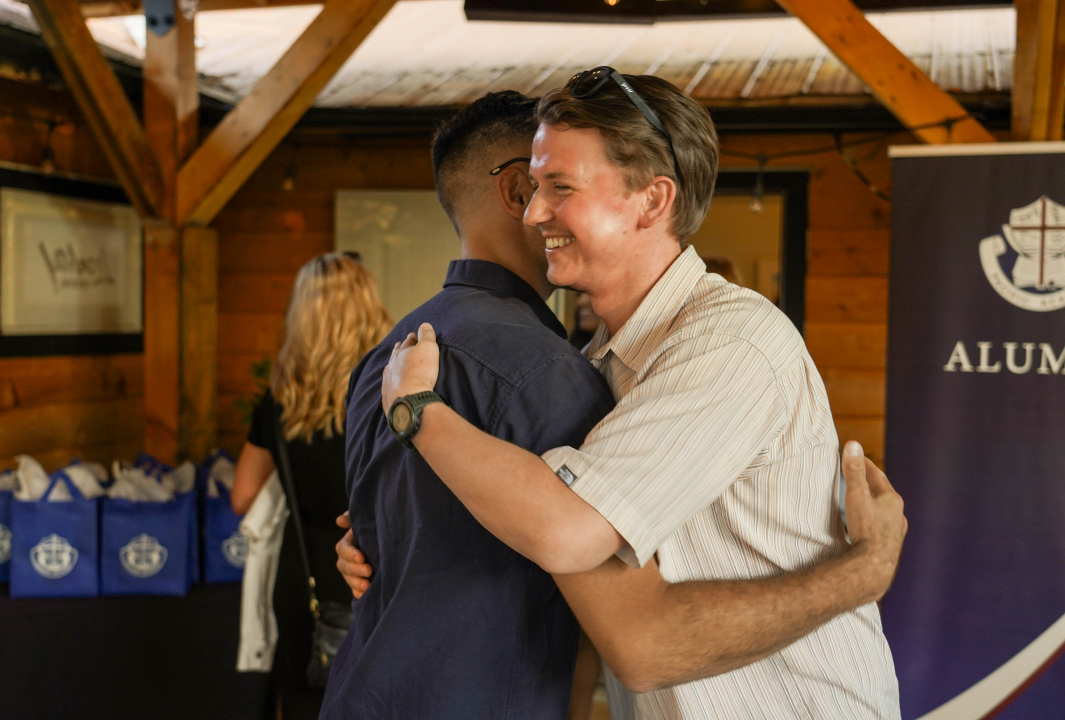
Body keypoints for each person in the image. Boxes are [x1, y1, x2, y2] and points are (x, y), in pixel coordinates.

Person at [330, 89, 905, 719]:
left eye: (559, 187)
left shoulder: (729, 342)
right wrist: (399, 529)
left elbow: (591, 566)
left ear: (653, 199)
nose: (532, 212)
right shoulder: (595, 367)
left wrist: (417, 412)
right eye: (534, 186)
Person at [231, 252, 393, 720]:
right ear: (369, 306)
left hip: (302, 572)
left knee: (305, 699)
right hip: (375, 565)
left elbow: (242, 495)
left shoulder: (280, 396)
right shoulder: (393, 388)